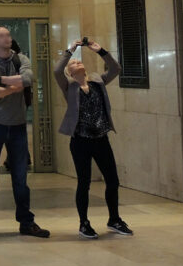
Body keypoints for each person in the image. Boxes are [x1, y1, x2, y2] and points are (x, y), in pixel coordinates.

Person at [54, 38, 133, 239]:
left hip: (101, 138)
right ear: (70, 73)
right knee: (84, 182)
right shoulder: (69, 87)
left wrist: (101, 51)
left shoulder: (98, 81)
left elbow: (116, 69)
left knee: (112, 180)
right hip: (80, 141)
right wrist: (70, 51)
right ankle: (84, 223)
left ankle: (114, 219)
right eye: (73, 64)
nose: (77, 64)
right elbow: (56, 71)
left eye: (79, 62)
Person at [0, 25, 49, 240]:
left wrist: (0, 80)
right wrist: (12, 86)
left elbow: (27, 80)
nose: (7, 38)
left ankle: (26, 222)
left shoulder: (21, 59)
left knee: (21, 177)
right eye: (2, 35)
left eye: (8, 34)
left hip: (17, 126)